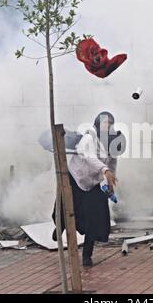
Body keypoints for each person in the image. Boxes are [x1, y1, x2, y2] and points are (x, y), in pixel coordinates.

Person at [54, 111, 125, 267]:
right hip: (75, 178)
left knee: (96, 216)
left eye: (110, 123)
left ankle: (87, 255)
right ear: (98, 123)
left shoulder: (112, 141)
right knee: (65, 209)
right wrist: (105, 170)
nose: (108, 126)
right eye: (105, 123)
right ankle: (60, 227)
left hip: (92, 182)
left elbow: (113, 162)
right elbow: (90, 156)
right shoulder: (90, 137)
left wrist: (110, 182)